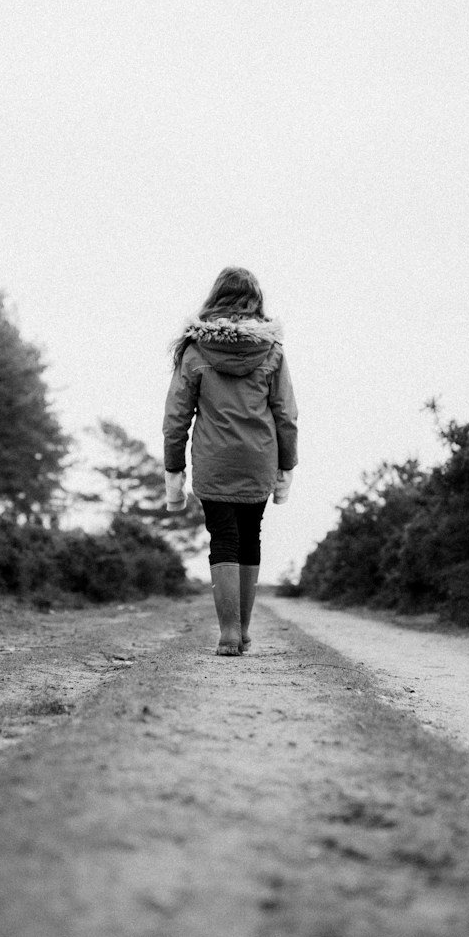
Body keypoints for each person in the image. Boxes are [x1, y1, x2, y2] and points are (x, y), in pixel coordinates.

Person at [162, 267, 298, 656]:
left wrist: (174, 470)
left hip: (214, 459)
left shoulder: (194, 350)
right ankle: (245, 631)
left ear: (215, 298)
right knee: (250, 536)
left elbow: (176, 416)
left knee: (223, 538)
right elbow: (285, 414)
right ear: (256, 302)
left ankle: (228, 634)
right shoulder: (271, 351)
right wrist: (286, 467)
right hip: (258, 458)